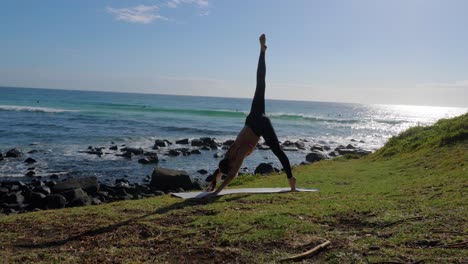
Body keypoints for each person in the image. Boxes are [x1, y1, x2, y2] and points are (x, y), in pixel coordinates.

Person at [205, 34, 296, 198]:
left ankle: (291, 179)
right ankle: (262, 51)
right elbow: (221, 170)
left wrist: (217, 192)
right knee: (260, 83)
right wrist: (213, 183)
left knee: (278, 151)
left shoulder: (237, 156)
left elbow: (230, 175)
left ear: (231, 165)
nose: (233, 170)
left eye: (231, 168)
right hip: (251, 119)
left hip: (260, 124)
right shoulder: (228, 155)